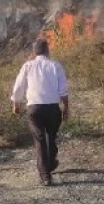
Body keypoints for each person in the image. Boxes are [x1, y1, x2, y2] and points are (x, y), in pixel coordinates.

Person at [10, 39, 69, 186]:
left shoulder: (28, 66)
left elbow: (18, 87)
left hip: (34, 109)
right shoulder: (55, 65)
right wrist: (66, 108)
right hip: (53, 109)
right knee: (51, 137)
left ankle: (45, 176)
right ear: (47, 51)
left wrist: (16, 103)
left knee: (40, 140)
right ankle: (49, 164)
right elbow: (63, 89)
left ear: (34, 52)